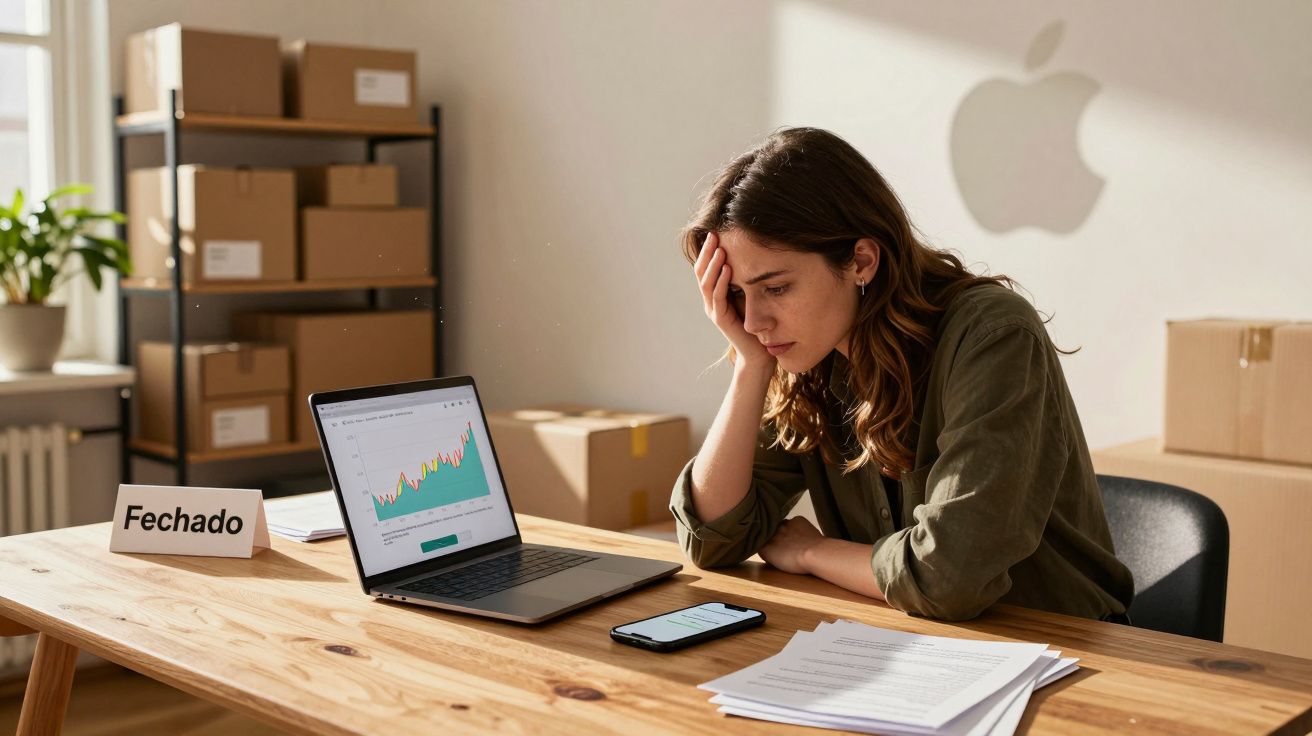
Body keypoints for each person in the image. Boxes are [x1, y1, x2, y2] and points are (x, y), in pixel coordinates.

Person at [670, 127, 1133, 622]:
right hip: (904, 641)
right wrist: (750, 365)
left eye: (776, 288)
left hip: (1062, 646)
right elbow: (713, 539)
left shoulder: (993, 335)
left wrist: (812, 552)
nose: (754, 321)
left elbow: (948, 578)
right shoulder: (799, 355)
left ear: (861, 261)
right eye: (736, 294)